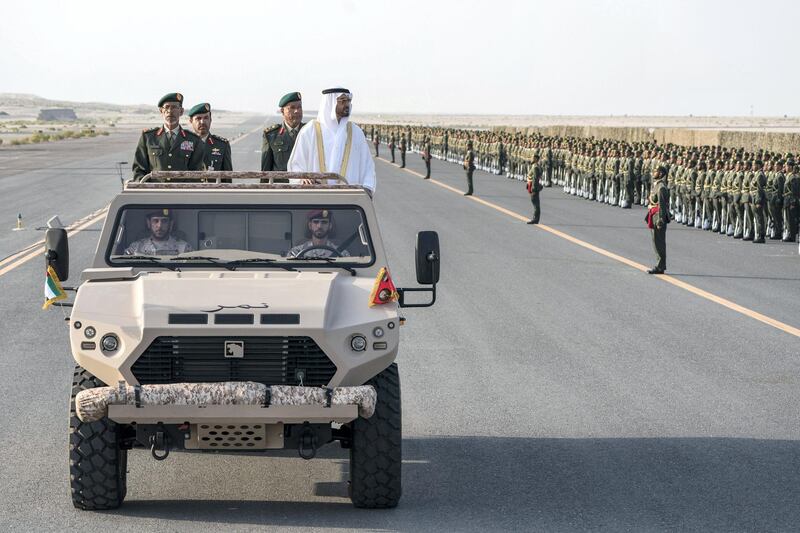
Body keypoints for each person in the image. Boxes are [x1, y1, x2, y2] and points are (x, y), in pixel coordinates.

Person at [287, 88, 376, 194]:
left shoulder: (356, 132)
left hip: (348, 202)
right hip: (315, 200)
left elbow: (368, 166)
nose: (347, 104)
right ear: (330, 103)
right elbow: (296, 164)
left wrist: (367, 188)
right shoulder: (310, 131)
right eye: (342, 101)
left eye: (348, 101)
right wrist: (301, 179)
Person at [132, 92, 206, 181]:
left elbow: (196, 173)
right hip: (155, 192)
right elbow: (139, 169)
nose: (170, 111)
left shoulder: (193, 140)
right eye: (167, 107)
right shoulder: (148, 138)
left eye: (174, 107)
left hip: (182, 192)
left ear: (181, 111)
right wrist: (148, 188)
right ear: (161, 111)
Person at [261, 91, 304, 175]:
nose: (297, 111)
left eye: (299, 107)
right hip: (281, 185)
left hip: (304, 185)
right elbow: (266, 169)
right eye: (292, 107)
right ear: (282, 111)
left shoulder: (310, 132)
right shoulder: (271, 135)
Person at [124, 209, 193, 256]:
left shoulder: (184, 248)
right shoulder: (136, 248)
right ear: (148, 223)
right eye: (155, 221)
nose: (159, 226)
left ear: (171, 224)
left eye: (164, 221)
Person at [287, 209, 351, 258]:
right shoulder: (296, 252)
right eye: (316, 222)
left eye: (324, 222)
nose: (319, 226)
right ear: (310, 225)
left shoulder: (341, 253)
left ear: (330, 226)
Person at [187, 102, 232, 172]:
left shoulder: (222, 145)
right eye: (198, 118)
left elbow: (227, 177)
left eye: (206, 118)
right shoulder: (182, 143)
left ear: (210, 120)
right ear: (191, 121)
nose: (202, 122)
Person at [646, 166, 670, 274]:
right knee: (655, 241)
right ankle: (660, 264)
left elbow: (662, 205)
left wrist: (660, 219)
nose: (653, 173)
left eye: (655, 171)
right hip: (653, 214)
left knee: (659, 242)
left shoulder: (661, 187)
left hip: (658, 217)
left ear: (660, 174)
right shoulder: (656, 185)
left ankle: (660, 266)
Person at [526, 155, 543, 224]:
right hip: (532, 185)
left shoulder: (535, 167)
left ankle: (535, 219)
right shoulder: (535, 166)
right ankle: (536, 218)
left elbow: (535, 179)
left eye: (532, 158)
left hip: (534, 187)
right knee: (535, 203)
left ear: (536, 159)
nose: (531, 159)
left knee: (535, 203)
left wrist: (534, 188)